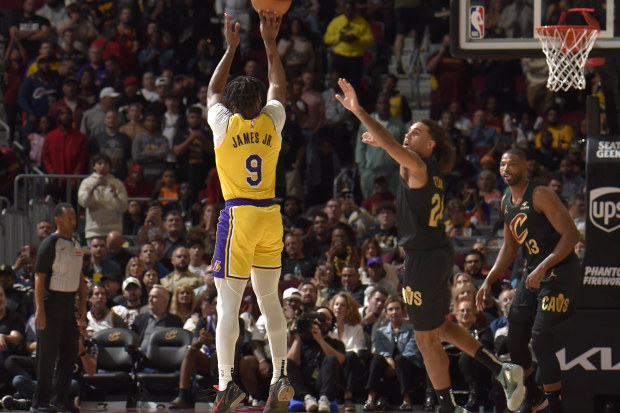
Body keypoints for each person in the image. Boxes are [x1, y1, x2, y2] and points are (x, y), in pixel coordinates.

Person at [336, 78, 525, 413]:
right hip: (436, 254)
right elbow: (395, 149)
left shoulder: (420, 165)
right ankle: (501, 370)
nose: (409, 135)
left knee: (425, 339)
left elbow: (394, 147)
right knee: (439, 327)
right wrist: (383, 143)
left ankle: (448, 408)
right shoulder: (427, 169)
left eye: (416, 132)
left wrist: (359, 111)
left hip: (423, 259)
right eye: (407, 131)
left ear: (431, 144)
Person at [206, 11, 293, 413]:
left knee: (228, 308)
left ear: (233, 104)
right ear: (258, 103)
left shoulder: (223, 123)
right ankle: (280, 376)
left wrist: (231, 48)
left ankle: (226, 385)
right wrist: (269, 43)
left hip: (238, 216)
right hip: (270, 217)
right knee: (270, 302)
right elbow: (278, 83)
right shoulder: (273, 120)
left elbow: (212, 90)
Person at [476, 149, 582, 413]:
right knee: (515, 336)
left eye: (512, 163)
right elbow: (510, 247)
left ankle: (556, 406)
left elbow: (571, 236)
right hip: (532, 270)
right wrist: (489, 279)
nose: (506, 167)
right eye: (502, 163)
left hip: (559, 270)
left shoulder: (540, 193)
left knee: (540, 336)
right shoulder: (505, 202)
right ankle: (534, 397)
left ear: (525, 167)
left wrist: (543, 266)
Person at [32, 203, 87, 413]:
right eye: (69, 217)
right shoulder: (50, 243)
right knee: (47, 354)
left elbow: (80, 277)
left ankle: (59, 399)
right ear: (58, 219)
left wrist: (82, 303)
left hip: (68, 303)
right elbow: (39, 277)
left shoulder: (76, 245)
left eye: (75, 217)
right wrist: (39, 310)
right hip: (50, 302)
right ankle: (40, 402)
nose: (74, 221)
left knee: (70, 351)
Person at [78, 154, 128, 240]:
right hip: (94, 231)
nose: (103, 166)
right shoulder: (87, 182)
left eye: (105, 163)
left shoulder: (117, 183)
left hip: (114, 230)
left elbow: (123, 208)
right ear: (94, 166)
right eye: (99, 163)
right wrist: (92, 188)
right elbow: (84, 203)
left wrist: (115, 195)